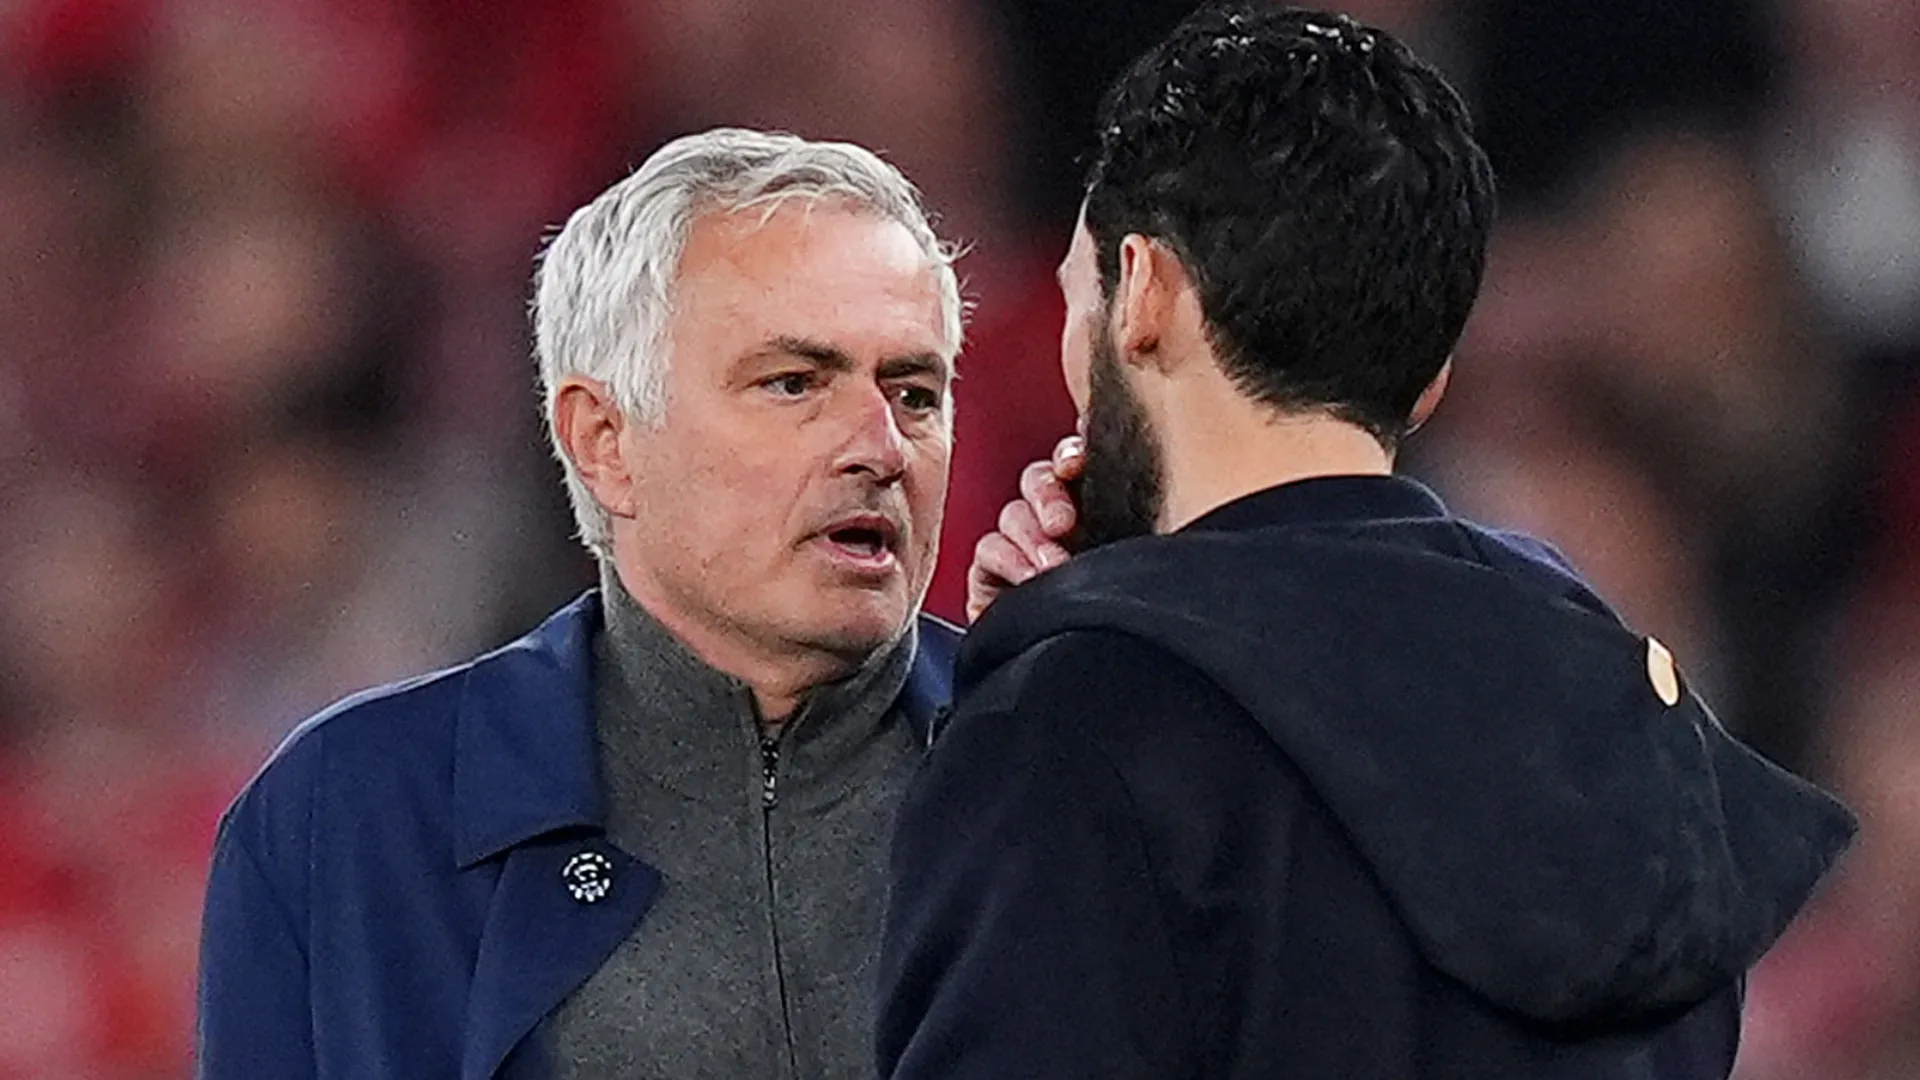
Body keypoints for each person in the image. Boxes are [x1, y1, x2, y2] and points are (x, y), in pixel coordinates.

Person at [875, 6, 1857, 1079]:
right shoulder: (1625, 718)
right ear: (1430, 377)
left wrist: (1062, 685)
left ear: (1144, 293)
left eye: (1082, 297)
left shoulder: (1079, 734)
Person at [197, 127, 968, 1079]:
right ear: (604, 440)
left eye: (916, 392)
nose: (880, 446)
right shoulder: (346, 823)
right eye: (794, 384)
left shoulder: (1062, 768)